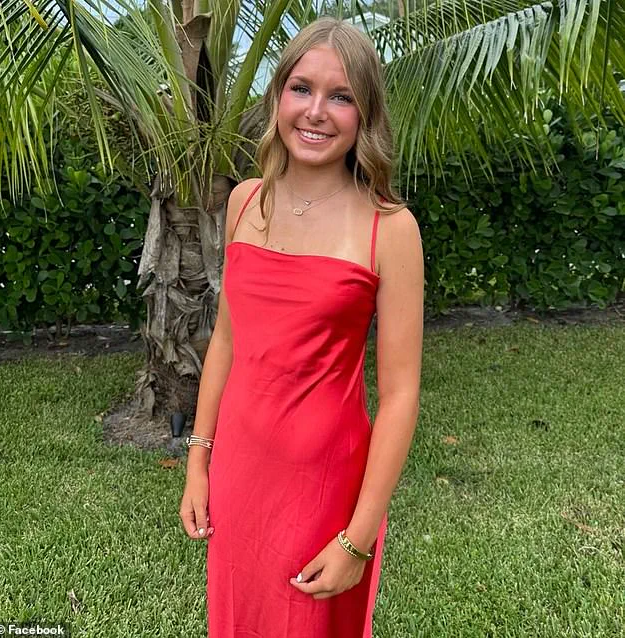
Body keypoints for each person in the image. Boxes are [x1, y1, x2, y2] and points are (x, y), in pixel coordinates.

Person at [179, 16, 424, 638]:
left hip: (323, 487)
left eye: (341, 96)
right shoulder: (245, 201)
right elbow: (227, 340)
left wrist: (358, 537)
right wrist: (199, 462)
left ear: (365, 114)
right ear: (278, 96)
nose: (316, 112)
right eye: (302, 89)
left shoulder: (390, 228)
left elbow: (399, 395)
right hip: (240, 473)